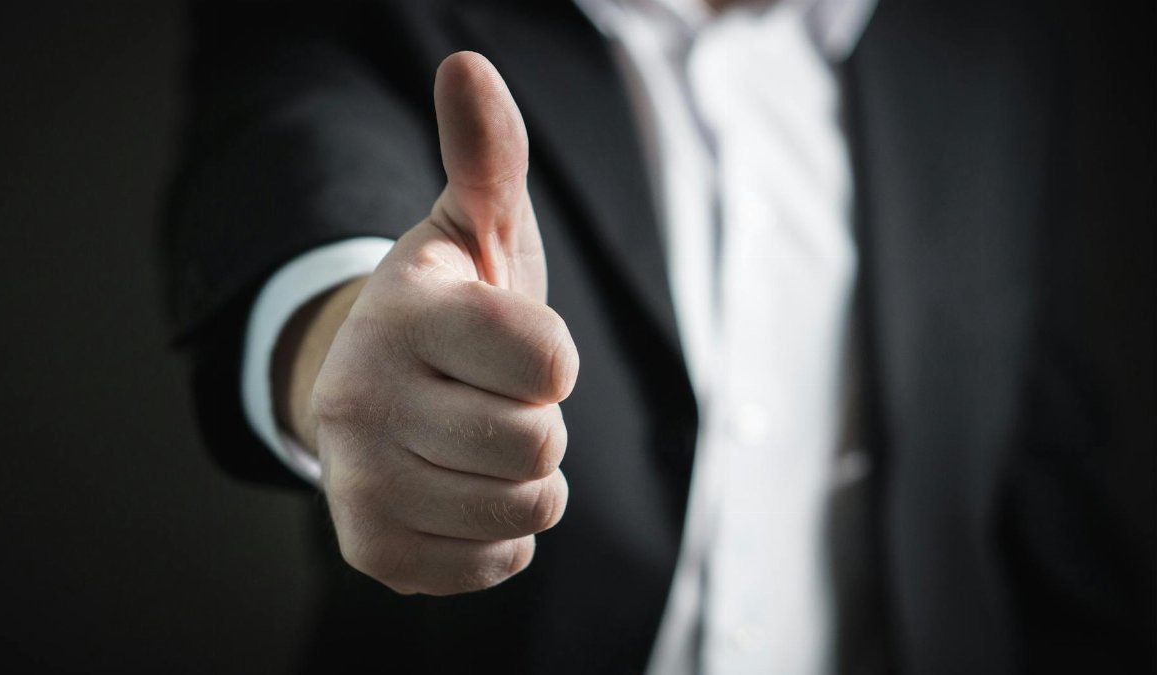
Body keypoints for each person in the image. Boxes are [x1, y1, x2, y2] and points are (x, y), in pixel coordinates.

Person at [161, 0, 1154, 672]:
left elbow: (1039, 481)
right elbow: (303, 191)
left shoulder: (991, 48)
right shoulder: (373, 18)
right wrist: (355, 364)